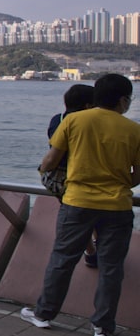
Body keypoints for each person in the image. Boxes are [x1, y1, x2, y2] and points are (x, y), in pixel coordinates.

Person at [23, 73, 140, 336]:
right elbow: (137, 174)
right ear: (122, 100)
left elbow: (52, 159)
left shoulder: (74, 121)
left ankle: (44, 314)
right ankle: (103, 327)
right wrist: (121, 183)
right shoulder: (133, 130)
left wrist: (44, 170)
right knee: (111, 267)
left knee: (63, 259)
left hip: (77, 202)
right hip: (117, 205)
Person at [46, 84, 97, 267]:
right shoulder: (87, 125)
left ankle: (90, 252)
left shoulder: (57, 120)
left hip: (57, 179)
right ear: (87, 106)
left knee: (76, 219)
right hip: (81, 178)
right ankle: (94, 251)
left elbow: (53, 152)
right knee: (91, 216)